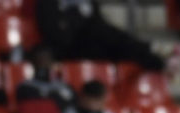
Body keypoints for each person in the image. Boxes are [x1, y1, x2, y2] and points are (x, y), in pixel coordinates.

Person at [36, 0, 166, 71]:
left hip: (93, 46)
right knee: (102, 32)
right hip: (68, 49)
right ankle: (149, 50)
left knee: (117, 46)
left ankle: (155, 61)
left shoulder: (88, 4)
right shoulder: (48, 3)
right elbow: (54, 33)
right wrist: (78, 21)